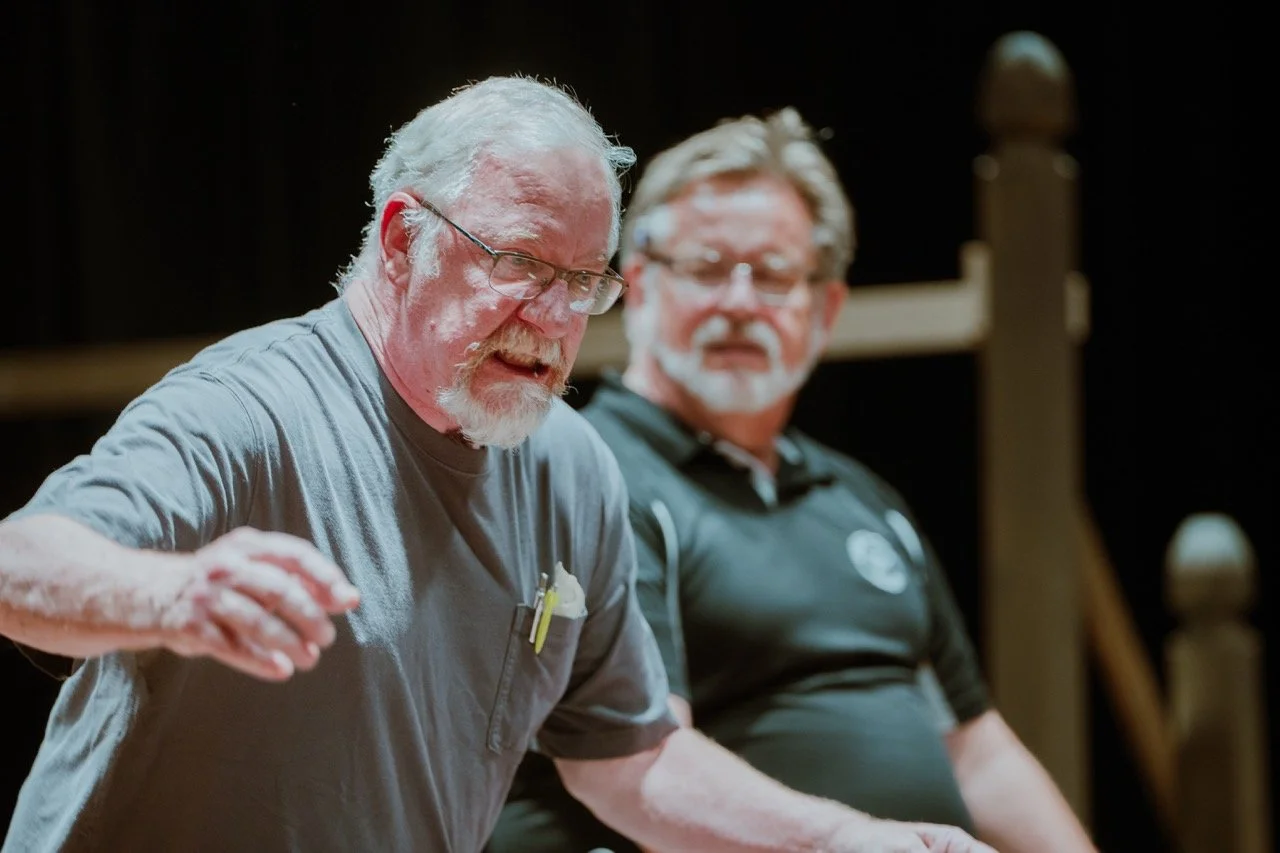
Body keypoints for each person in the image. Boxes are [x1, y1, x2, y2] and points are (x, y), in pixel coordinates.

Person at [0, 78, 993, 852]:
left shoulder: (568, 467)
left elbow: (631, 764)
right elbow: (21, 563)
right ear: (402, 238)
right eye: (518, 264)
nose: (554, 319)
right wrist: (168, 592)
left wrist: (838, 835)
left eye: (581, 282)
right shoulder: (255, 404)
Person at [489, 108, 1099, 853]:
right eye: (708, 267)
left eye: (774, 275)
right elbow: (647, 765)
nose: (740, 303)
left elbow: (977, 749)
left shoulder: (862, 499)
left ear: (825, 308)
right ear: (642, 285)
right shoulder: (591, 470)